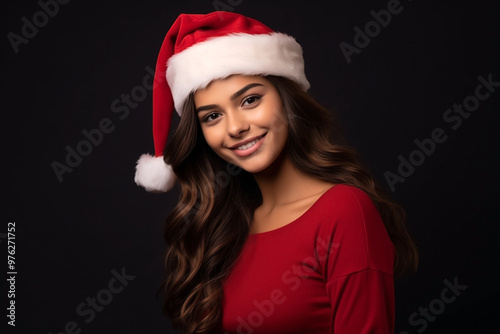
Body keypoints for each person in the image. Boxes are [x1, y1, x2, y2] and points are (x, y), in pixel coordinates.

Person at [134, 11, 418, 334]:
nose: (236, 127)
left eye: (250, 99)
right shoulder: (225, 227)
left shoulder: (345, 212)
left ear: (286, 99)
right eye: (212, 116)